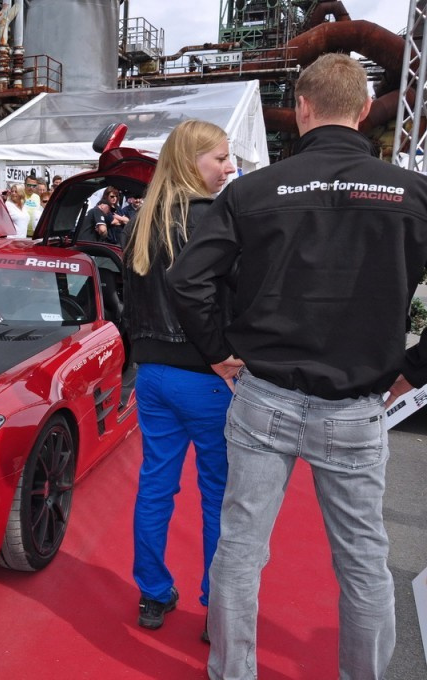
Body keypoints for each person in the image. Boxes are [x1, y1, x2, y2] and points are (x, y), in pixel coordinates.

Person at [167, 54, 427, 679]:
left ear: (302, 108)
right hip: (357, 405)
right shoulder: (413, 194)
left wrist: (218, 352)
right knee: (363, 561)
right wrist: (414, 368)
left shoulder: (252, 192)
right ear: (363, 111)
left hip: (265, 397)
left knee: (241, 549)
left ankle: (233, 672)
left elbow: (187, 280)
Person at [121, 119, 236, 642]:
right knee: (217, 496)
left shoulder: (142, 219)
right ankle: (217, 606)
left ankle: (152, 592)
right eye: (220, 158)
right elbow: (228, 297)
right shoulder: (213, 218)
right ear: (193, 161)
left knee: (155, 486)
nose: (229, 168)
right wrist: (224, 354)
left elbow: (129, 302)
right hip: (207, 377)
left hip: (153, 376)